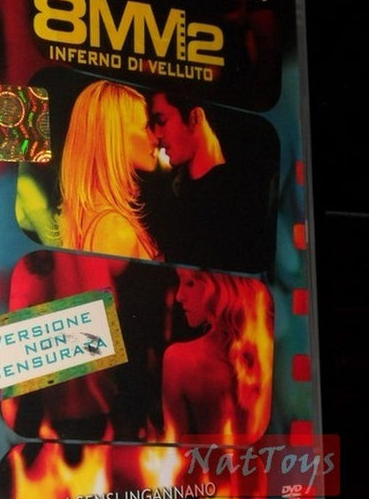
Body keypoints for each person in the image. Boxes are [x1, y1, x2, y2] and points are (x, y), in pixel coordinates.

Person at [148, 91, 278, 274]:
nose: (156, 133)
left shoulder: (242, 198)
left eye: (161, 121)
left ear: (195, 118)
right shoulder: (177, 195)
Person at [162, 267, 274, 444]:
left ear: (219, 287)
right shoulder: (271, 349)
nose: (179, 296)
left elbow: (174, 448)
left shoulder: (178, 359)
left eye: (190, 283)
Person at [57, 80, 161, 262]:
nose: (154, 139)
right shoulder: (114, 230)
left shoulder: (96, 217)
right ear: (115, 136)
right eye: (145, 127)